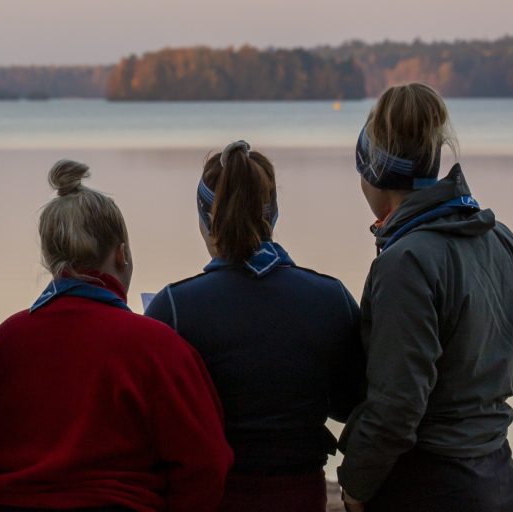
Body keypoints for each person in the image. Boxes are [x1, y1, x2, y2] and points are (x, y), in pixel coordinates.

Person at [337, 83, 513, 512]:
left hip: (429, 485)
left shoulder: (404, 262)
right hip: (500, 478)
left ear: (372, 171)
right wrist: (474, 394)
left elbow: (397, 406)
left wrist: (356, 485)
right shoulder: (501, 238)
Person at [0, 159, 234, 512]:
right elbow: (207, 463)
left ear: (51, 261)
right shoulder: (156, 347)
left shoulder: (5, 343)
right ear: (121, 255)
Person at [144, 141, 365, 511]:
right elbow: (353, 405)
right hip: (301, 494)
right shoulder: (331, 299)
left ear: (205, 219)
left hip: (213, 497)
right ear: (273, 214)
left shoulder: (174, 307)